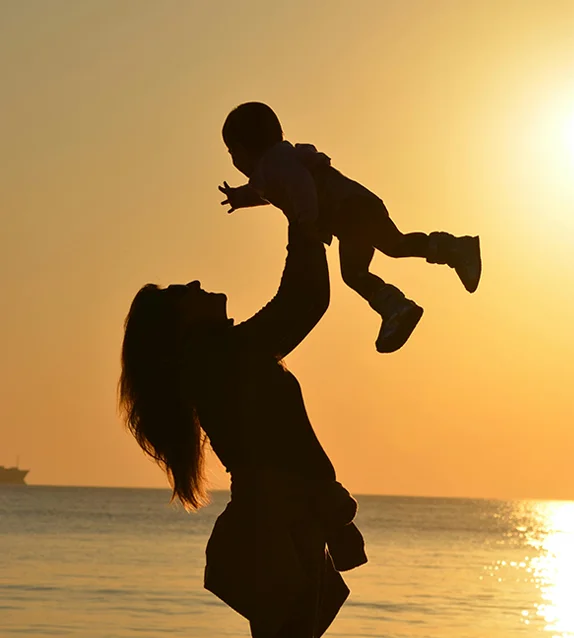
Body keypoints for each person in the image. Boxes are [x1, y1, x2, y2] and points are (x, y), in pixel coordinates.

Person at [118, 206, 365, 637]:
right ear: (179, 326)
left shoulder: (220, 357)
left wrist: (304, 221)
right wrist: (300, 214)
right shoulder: (218, 357)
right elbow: (302, 302)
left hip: (284, 519)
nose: (196, 284)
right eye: (183, 292)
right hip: (276, 525)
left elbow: (303, 302)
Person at [218, 101, 482, 353]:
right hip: (355, 208)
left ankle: (400, 305)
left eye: (231, 154)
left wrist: (306, 221)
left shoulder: (275, 163)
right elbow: (268, 191)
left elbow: (299, 185)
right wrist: (240, 198)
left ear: (240, 151)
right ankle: (449, 253)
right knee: (391, 247)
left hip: (348, 211)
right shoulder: (276, 164)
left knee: (362, 267)